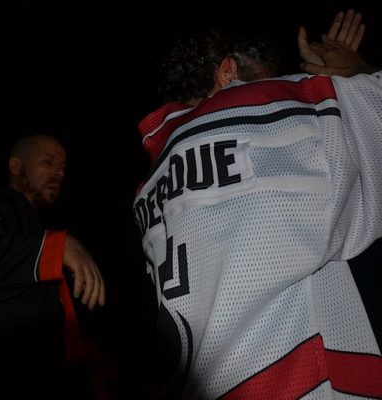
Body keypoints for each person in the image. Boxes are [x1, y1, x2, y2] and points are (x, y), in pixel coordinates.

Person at [133, 10, 382, 399]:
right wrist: (355, 73)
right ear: (228, 72)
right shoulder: (268, 104)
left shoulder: (150, 181)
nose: (281, 83)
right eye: (269, 77)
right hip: (291, 382)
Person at [0, 134, 111, 399]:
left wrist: (83, 357)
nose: (59, 173)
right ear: (16, 166)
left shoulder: (34, 230)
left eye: (63, 168)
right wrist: (59, 246)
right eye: (48, 162)